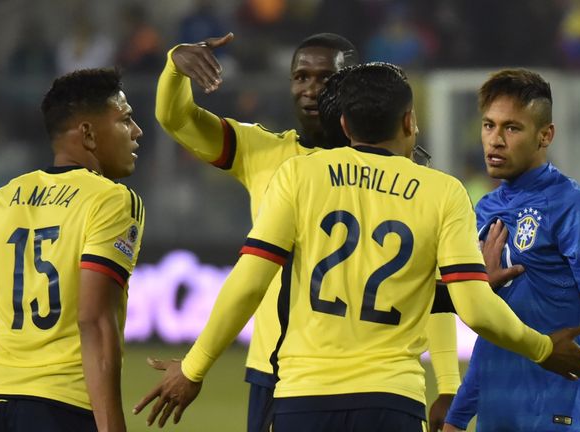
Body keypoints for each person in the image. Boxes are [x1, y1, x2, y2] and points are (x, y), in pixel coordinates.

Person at [133, 62, 580, 432]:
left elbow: (249, 282)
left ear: (344, 124)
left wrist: (193, 369)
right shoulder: (442, 191)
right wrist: (543, 349)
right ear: (408, 121)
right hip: (391, 401)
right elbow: (476, 310)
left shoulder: (298, 176)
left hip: (303, 397)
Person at [152, 32, 463, 432]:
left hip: (366, 380)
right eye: (301, 77)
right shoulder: (261, 151)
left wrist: (449, 381)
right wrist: (174, 67)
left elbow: (427, 289)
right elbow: (176, 118)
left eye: (326, 78)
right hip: (280, 374)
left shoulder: (406, 179)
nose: (311, 89)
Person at [0, 68, 145, 432]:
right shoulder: (110, 200)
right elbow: (93, 320)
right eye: (125, 120)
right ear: (89, 134)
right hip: (62, 411)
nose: (137, 132)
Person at [443, 69, 580, 432]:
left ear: (545, 135)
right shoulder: (484, 209)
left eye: (511, 128)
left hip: (555, 413)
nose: (495, 140)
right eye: (488, 125)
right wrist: (458, 416)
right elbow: (494, 328)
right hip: (495, 415)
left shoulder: (574, 208)